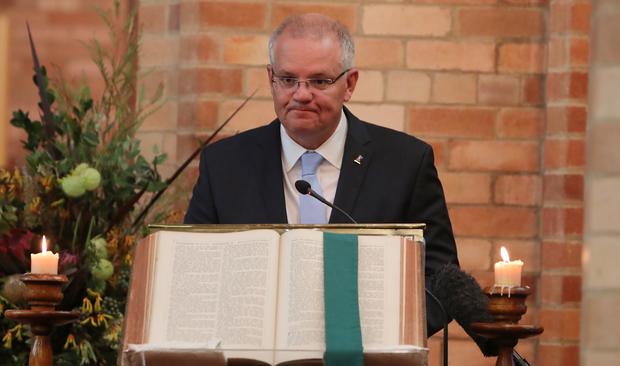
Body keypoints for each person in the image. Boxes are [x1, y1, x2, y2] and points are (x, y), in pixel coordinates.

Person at [184, 13, 458, 336]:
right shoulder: (224, 165)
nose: (301, 94)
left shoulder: (406, 163)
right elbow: (194, 274)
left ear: (350, 83)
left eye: (319, 81)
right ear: (271, 77)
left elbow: (443, 280)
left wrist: (375, 332)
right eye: (288, 79)